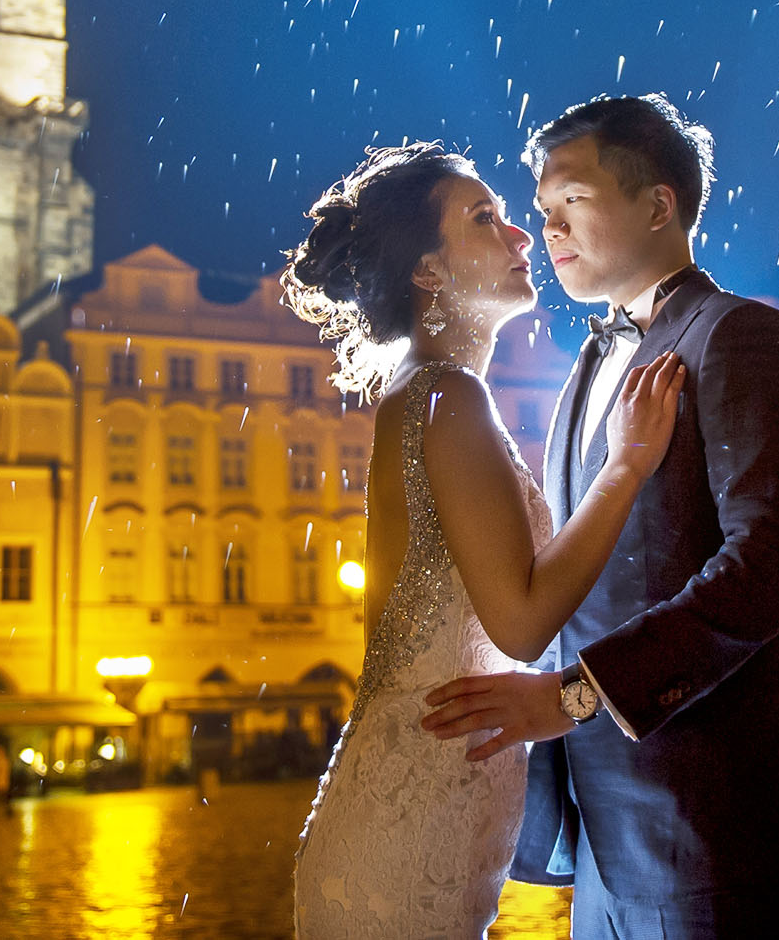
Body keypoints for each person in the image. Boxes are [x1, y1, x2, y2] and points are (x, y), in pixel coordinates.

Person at [423, 96, 779, 936]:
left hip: (727, 820)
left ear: (660, 203)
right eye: (542, 211)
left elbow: (769, 569)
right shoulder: (583, 370)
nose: (549, 228)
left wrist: (574, 695)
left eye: (571, 201)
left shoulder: (744, 337)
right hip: (606, 845)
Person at [288, 140, 682, 938]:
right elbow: (521, 620)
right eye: (484, 218)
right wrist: (629, 464)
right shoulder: (449, 395)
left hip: (406, 817)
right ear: (427, 271)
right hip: (409, 838)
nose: (522, 234)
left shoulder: (430, 394)